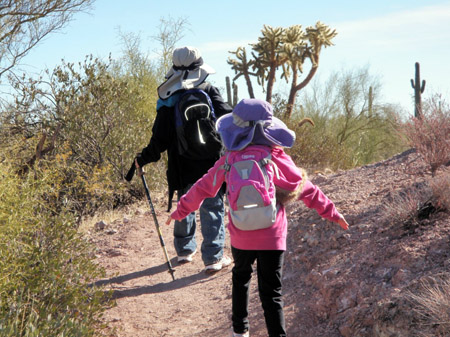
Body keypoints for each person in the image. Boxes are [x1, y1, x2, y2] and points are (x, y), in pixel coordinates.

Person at [166, 98, 350, 337]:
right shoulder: (275, 157)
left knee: (241, 279)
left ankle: (240, 332)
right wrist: (333, 214)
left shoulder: (229, 160)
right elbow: (306, 189)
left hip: (241, 234)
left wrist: (180, 211)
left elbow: (203, 188)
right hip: (272, 235)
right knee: (271, 291)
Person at [134, 46, 233, 272]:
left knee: (186, 202)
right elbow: (228, 118)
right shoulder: (209, 89)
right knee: (213, 205)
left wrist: (144, 157)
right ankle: (213, 258)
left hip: (182, 162)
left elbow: (160, 137)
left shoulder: (168, 98)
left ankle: (185, 252)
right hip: (212, 162)